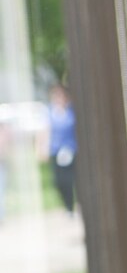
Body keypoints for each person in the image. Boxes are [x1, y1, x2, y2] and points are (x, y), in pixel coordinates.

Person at [47, 84, 77, 215]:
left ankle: (71, 206)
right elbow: (45, 131)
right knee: (58, 181)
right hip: (56, 152)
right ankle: (67, 204)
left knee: (70, 179)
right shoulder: (50, 112)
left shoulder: (71, 111)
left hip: (71, 150)